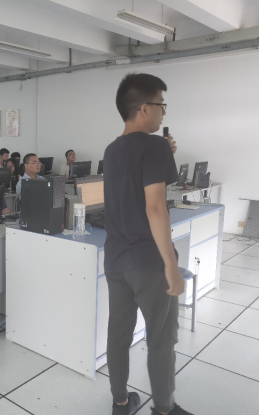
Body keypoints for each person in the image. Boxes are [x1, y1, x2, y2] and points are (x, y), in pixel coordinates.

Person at [104, 73, 186, 415]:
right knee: (161, 339)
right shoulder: (154, 146)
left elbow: (132, 186)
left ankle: (120, 403)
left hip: (116, 260)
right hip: (149, 263)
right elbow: (155, 208)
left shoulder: (111, 149)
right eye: (161, 105)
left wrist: (163, 153)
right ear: (144, 108)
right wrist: (171, 265)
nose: (164, 112)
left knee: (118, 336)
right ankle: (164, 408)